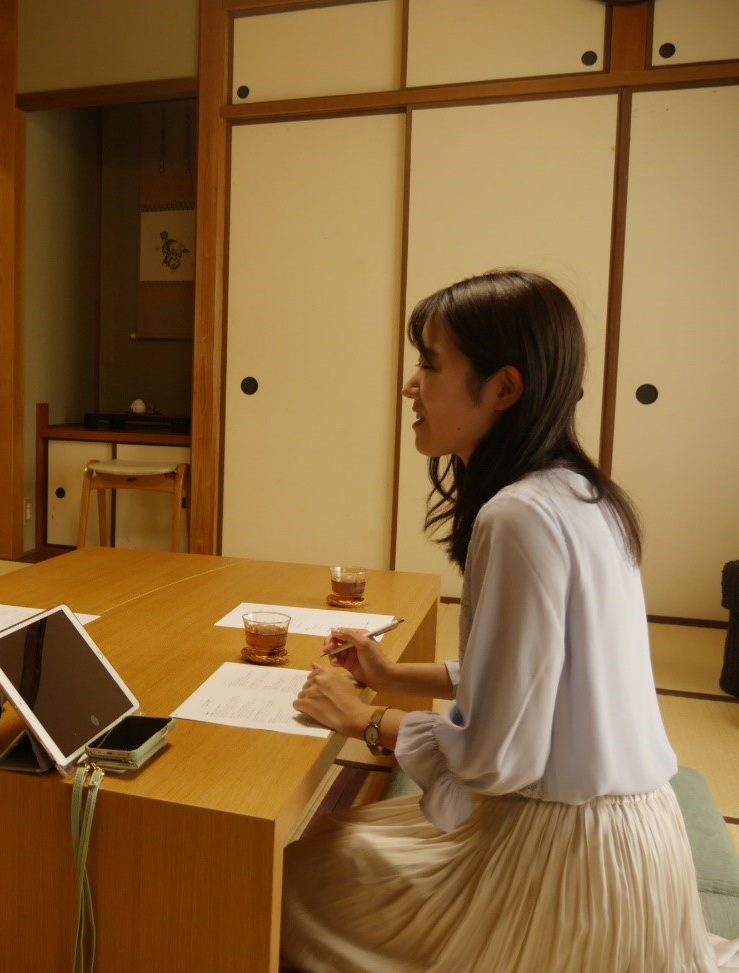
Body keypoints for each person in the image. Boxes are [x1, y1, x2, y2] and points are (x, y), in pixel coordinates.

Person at [281, 270, 736, 971]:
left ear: (504, 388)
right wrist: (396, 673)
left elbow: (497, 756)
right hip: (637, 844)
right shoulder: (584, 494)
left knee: (298, 883)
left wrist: (360, 719)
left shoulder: (515, 516)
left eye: (429, 364)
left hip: (568, 867)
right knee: (346, 840)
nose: (411, 386)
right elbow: (544, 680)